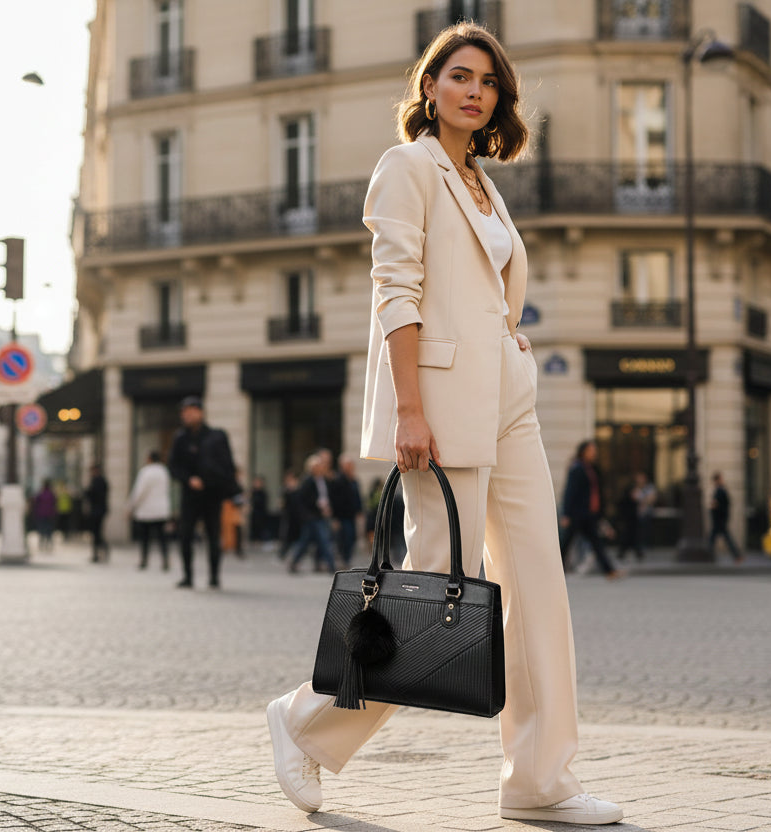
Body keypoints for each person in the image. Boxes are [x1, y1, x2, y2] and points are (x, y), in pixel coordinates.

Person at [264, 23, 622, 826]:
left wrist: (509, 338)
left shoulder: (481, 181)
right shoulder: (408, 167)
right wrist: (411, 411)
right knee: (436, 586)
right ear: (429, 88)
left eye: (487, 82)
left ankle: (539, 780)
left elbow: (482, 284)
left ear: (499, 100)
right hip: (443, 406)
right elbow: (397, 292)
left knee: (538, 587)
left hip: (508, 400)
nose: (473, 91)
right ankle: (304, 723)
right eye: (458, 76)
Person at [167, 395, 238, 589]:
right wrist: (188, 479)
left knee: (213, 535)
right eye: (184, 413)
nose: (187, 416)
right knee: (185, 535)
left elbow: (228, 465)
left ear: (201, 412)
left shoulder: (217, 436)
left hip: (212, 494)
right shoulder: (180, 438)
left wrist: (229, 490)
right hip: (190, 495)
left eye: (191, 411)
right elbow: (173, 466)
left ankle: (214, 576)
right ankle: (188, 576)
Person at [559, 440, 623, 579]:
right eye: (591, 450)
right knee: (566, 544)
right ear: (583, 452)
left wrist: (600, 514)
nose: (594, 453)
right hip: (577, 514)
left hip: (589, 514)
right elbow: (570, 491)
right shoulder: (577, 468)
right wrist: (566, 514)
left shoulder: (592, 468)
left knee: (596, 543)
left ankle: (609, 571)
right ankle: (556, 571)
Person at [284, 453, 337, 574]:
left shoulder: (323, 480)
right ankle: (331, 566)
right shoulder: (307, 481)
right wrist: (318, 506)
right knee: (324, 540)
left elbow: (325, 495)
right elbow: (304, 499)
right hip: (312, 516)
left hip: (320, 515)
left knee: (306, 541)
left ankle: (295, 561)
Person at [127, 451, 171, 571]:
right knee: (162, 538)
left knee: (145, 538)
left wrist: (130, 507)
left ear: (149, 459)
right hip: (161, 510)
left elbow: (139, 492)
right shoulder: (164, 471)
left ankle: (144, 560)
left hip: (146, 510)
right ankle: (165, 559)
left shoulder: (145, 472)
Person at [329, 453, 364, 566]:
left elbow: (357, 497)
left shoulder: (354, 481)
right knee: (343, 539)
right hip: (341, 517)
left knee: (351, 538)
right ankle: (343, 559)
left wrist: (359, 511)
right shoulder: (337, 481)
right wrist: (334, 517)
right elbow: (334, 500)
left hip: (351, 516)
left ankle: (346, 559)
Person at [708, 471, 743, 563]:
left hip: (719, 520)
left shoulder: (719, 491)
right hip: (721, 519)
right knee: (717, 538)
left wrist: (712, 508)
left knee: (714, 539)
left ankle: (709, 556)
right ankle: (737, 556)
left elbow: (716, 504)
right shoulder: (721, 490)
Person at [84, 464, 110, 563]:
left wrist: (87, 491)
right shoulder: (103, 481)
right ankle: (98, 552)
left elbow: (91, 495)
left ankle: (97, 553)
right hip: (101, 510)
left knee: (96, 532)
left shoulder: (96, 481)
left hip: (96, 511)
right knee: (97, 532)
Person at [632, 471, 657, 561]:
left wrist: (642, 500)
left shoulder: (649, 487)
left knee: (646, 528)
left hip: (647, 513)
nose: (640, 480)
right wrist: (644, 500)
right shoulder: (635, 488)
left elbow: (651, 499)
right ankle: (639, 546)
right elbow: (633, 498)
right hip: (638, 514)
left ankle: (647, 545)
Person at [279, 470, 303, 555]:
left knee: (299, 536)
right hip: (288, 516)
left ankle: (296, 554)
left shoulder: (300, 489)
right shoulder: (286, 490)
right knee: (287, 536)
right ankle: (282, 553)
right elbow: (282, 503)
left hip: (298, 516)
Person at [32, 479, 57, 552]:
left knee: (41, 529)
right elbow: (55, 503)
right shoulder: (52, 494)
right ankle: (49, 544)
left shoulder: (40, 494)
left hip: (41, 514)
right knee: (49, 530)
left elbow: (35, 503)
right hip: (50, 514)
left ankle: (41, 544)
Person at [249, 475, 271, 546]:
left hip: (261, 513)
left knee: (261, 527)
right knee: (254, 527)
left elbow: (263, 503)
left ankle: (262, 540)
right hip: (254, 513)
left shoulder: (263, 493)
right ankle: (254, 540)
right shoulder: (252, 492)